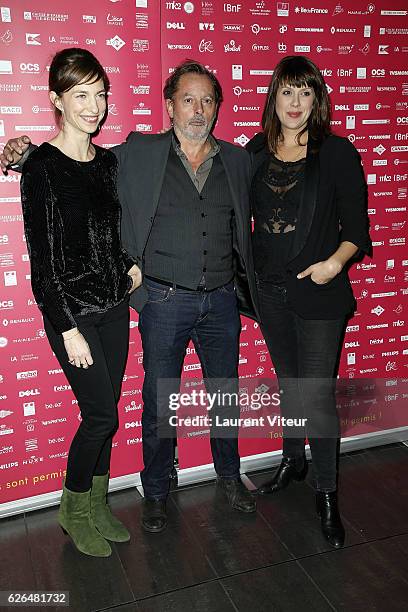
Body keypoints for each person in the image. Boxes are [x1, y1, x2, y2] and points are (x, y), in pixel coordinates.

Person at [2, 59, 259, 533]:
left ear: (218, 108)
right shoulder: (138, 151)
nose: (198, 110)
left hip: (221, 301)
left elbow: (284, 166)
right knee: (159, 402)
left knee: (225, 395)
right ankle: (157, 490)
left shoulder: (239, 160)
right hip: (164, 301)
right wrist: (22, 152)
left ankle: (228, 475)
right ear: (169, 106)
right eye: (188, 99)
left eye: (207, 101)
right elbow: (69, 162)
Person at [16, 48, 141, 557]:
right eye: (81, 95)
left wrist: (128, 263)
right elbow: (41, 262)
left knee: (106, 410)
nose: (95, 106)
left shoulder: (108, 162)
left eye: (100, 94)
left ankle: (98, 502)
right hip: (71, 315)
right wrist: (66, 328)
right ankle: (72, 510)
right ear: (57, 101)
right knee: (99, 416)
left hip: (113, 307)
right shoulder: (41, 167)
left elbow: (108, 232)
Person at [246, 55, 371, 548]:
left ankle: (325, 492)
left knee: (316, 397)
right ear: (273, 97)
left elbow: (357, 231)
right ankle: (292, 461)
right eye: (287, 92)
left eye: (305, 93)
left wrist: (333, 265)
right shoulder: (253, 152)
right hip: (270, 293)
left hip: (319, 294)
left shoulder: (337, 152)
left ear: (316, 99)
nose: (296, 103)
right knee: (290, 385)